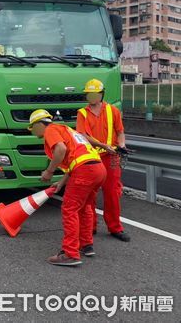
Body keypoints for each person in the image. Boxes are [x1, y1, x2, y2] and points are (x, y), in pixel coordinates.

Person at [28, 109, 106, 266]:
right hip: (98, 169)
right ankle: (86, 245)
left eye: (32, 128)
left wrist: (49, 172)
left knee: (69, 209)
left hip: (85, 171)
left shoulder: (51, 129)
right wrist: (61, 182)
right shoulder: (67, 130)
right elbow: (76, 161)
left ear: (39, 124)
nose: (33, 132)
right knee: (84, 208)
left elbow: (61, 150)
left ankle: (70, 253)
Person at [76, 79, 130, 242]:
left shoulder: (113, 111)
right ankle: (90, 226)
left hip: (111, 156)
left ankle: (115, 227)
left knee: (112, 192)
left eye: (94, 94)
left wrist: (121, 145)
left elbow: (120, 132)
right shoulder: (82, 113)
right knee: (89, 194)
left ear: (101, 94)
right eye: (89, 95)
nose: (91, 97)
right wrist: (103, 145)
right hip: (92, 157)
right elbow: (83, 136)